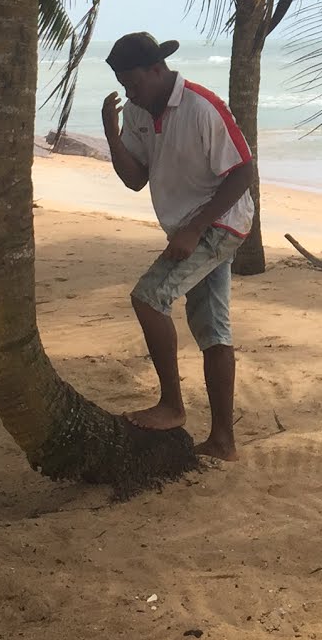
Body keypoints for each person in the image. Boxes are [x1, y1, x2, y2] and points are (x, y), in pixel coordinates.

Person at [100, 31, 256, 460]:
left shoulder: (202, 107)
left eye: (133, 83)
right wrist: (113, 136)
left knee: (149, 298)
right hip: (188, 225)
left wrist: (193, 230)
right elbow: (135, 179)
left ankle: (172, 404)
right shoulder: (136, 112)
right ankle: (223, 441)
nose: (129, 93)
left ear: (156, 70)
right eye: (124, 86)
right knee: (213, 330)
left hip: (222, 222)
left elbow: (243, 173)